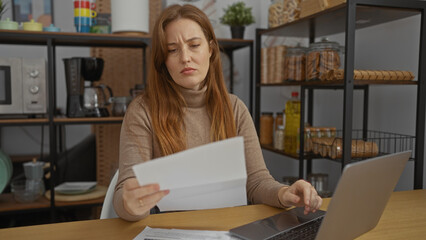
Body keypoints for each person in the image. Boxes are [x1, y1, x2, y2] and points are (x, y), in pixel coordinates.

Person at [113, 4, 322, 221]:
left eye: (194, 45)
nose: (185, 57)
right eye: (172, 50)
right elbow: (123, 194)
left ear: (211, 49)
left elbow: (257, 182)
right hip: (169, 230)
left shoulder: (235, 108)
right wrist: (130, 205)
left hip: (229, 228)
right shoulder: (142, 111)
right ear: (163, 61)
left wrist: (283, 193)